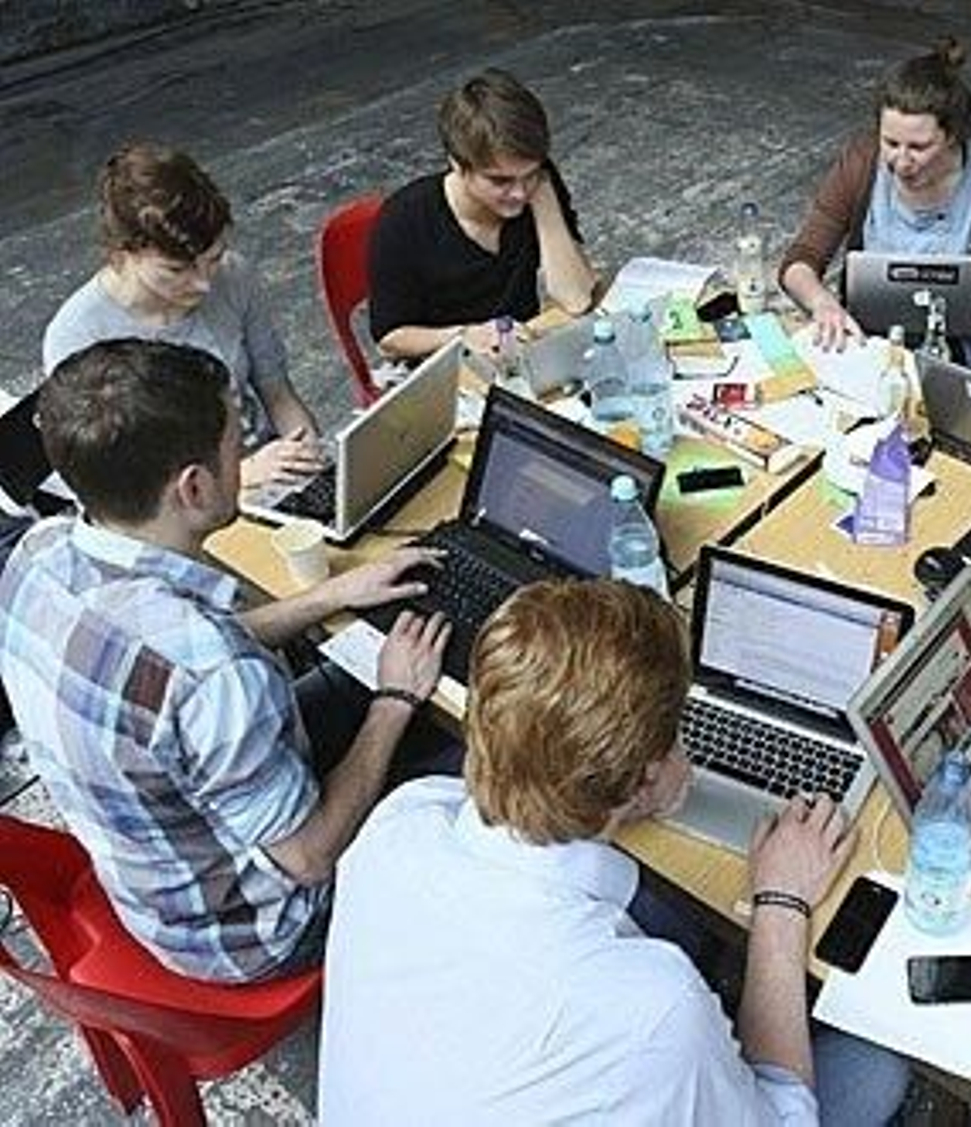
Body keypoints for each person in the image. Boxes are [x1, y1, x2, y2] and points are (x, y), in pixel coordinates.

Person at [318, 580, 909, 1124]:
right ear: (646, 777)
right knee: (878, 1070)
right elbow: (787, 1118)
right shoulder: (654, 1008)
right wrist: (781, 905)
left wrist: (611, 791)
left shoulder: (402, 820)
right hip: (648, 1045)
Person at [0, 339, 451, 983]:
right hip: (263, 931)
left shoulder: (40, 553)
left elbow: (171, 665)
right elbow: (310, 858)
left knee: (357, 679)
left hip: (160, 884)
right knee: (478, 758)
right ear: (193, 486)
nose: (244, 460)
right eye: (237, 447)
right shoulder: (215, 676)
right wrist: (395, 702)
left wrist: (330, 596)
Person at [42, 142, 323, 493]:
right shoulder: (80, 334)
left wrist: (311, 453)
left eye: (213, 259)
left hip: (265, 464)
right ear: (126, 252)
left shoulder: (233, 275)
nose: (203, 283)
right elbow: (116, 486)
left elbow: (276, 389)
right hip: (177, 503)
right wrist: (241, 475)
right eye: (176, 270)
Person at [778, 39, 971, 369]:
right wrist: (821, 302)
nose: (901, 162)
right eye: (890, 143)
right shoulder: (860, 162)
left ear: (952, 136)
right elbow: (800, 261)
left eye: (918, 147)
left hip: (961, 345)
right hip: (870, 337)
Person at [368, 68, 597, 362]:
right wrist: (463, 335)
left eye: (529, 175)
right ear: (457, 165)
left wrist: (544, 198)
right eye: (500, 181)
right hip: (442, 362)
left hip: (517, 353)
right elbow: (389, 339)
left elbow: (576, 298)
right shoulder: (405, 220)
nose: (519, 193)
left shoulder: (538, 186)